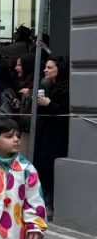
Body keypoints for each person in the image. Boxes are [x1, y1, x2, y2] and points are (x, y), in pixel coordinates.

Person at [32, 56, 70, 210]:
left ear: (59, 69)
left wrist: (49, 103)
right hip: (44, 132)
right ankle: (42, 201)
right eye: (45, 67)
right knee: (41, 165)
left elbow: (64, 112)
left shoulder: (66, 89)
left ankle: (49, 203)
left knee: (49, 167)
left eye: (49, 67)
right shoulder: (47, 86)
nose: (45, 70)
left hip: (56, 135)